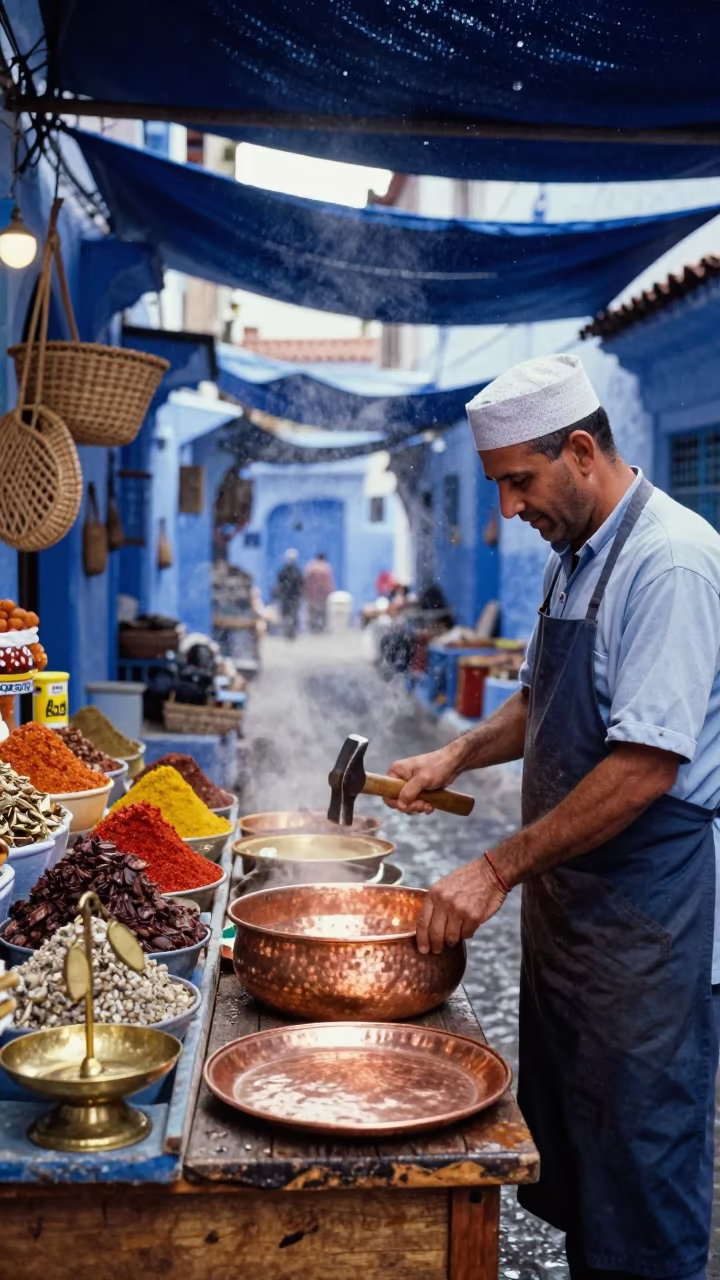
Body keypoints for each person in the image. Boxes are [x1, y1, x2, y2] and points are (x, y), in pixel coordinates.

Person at [387, 353, 720, 1280]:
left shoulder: (672, 563)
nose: (508, 509)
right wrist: (454, 753)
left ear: (580, 450)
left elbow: (646, 765)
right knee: (579, 1154)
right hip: (573, 916)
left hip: (650, 920)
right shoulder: (576, 557)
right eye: (496, 487)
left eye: (518, 483)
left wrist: (493, 868)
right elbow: (541, 699)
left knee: (643, 1167)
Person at [273, 549, 303, 640]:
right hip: (288, 597)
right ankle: (288, 632)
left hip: (291, 597)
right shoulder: (288, 571)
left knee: (292, 615)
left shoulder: (295, 571)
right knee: (287, 615)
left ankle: (291, 632)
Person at [303, 552, 335, 633]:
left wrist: (305, 592)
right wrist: (330, 591)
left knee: (312, 612)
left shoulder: (310, 567)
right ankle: (321, 627)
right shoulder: (326, 567)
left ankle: (313, 627)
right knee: (322, 612)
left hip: (312, 594)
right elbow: (328, 582)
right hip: (322, 594)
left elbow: (306, 581)